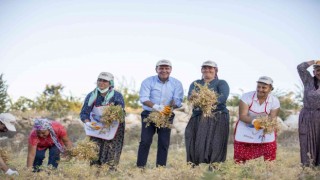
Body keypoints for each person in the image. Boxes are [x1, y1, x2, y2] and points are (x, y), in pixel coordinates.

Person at [137, 59, 184, 168]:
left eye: (166, 68)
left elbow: (177, 100)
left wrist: (170, 106)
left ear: (171, 70)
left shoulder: (176, 83)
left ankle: (160, 168)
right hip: (149, 114)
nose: (164, 70)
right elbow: (144, 98)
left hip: (166, 115)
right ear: (156, 69)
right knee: (145, 141)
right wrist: (156, 107)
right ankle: (140, 167)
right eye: (161, 68)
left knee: (163, 142)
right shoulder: (148, 81)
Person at [185, 60, 230, 169]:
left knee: (215, 142)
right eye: (204, 68)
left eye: (210, 68)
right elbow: (191, 97)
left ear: (216, 70)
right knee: (193, 139)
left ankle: (214, 169)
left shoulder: (221, 83)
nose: (207, 70)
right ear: (201, 70)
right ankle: (194, 167)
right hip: (198, 116)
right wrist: (198, 101)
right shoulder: (196, 83)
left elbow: (223, 97)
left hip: (217, 116)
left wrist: (208, 102)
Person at [80, 72, 125, 168]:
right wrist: (88, 123)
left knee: (111, 149)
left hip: (113, 126)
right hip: (96, 125)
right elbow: (84, 113)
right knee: (95, 149)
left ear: (110, 83)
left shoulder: (117, 96)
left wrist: (111, 118)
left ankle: (109, 170)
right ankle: (95, 171)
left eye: (105, 81)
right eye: (99, 80)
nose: (101, 82)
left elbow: (121, 112)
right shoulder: (91, 96)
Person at [233, 76, 280, 163]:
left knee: (269, 148)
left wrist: (266, 125)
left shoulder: (274, 101)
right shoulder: (246, 97)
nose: (260, 89)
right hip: (246, 126)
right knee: (240, 153)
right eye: (258, 86)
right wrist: (256, 123)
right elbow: (242, 116)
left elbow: (272, 119)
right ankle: (238, 171)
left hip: (264, 128)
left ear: (270, 89)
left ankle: (269, 171)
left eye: (264, 87)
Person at [297, 60, 320, 166]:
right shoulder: (308, 80)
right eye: (318, 70)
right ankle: (307, 167)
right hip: (306, 116)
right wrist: (315, 61)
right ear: (314, 72)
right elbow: (300, 67)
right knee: (305, 140)